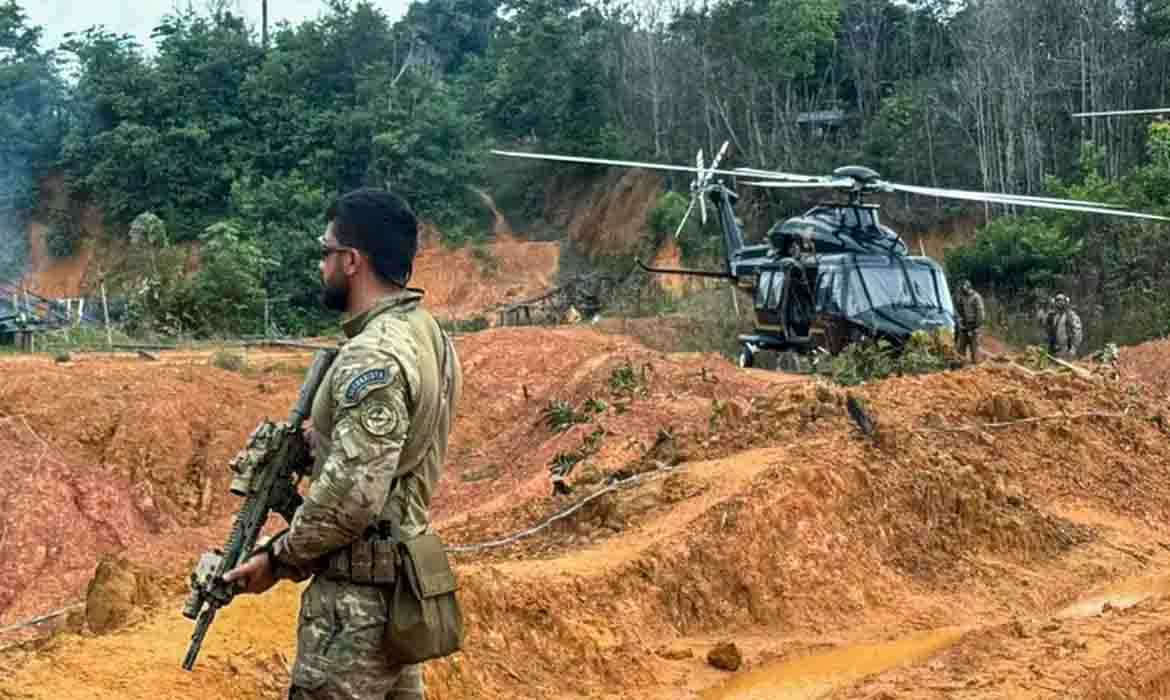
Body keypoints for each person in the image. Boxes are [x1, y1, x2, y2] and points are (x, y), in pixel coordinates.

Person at [224, 188, 463, 700]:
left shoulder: (369, 356)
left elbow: (351, 500)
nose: (320, 264)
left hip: (354, 612)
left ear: (352, 261)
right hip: (400, 596)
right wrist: (323, 440)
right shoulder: (430, 337)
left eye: (325, 250)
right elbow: (395, 454)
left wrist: (279, 558)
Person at [954, 279, 985, 364]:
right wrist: (960, 322)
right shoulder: (961, 297)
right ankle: (961, 368)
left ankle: (976, 368)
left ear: (968, 288)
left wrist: (976, 326)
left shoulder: (976, 297)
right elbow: (958, 310)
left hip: (974, 327)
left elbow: (981, 313)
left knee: (975, 350)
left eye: (963, 289)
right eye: (961, 290)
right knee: (961, 349)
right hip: (964, 326)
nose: (962, 291)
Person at [1048, 293, 1083, 358]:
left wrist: (1074, 348)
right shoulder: (1053, 316)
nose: (1060, 303)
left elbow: (1078, 333)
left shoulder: (1071, 316)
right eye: (1057, 300)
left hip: (1067, 349)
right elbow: (1049, 331)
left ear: (1066, 302)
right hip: (1054, 350)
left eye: (1061, 300)